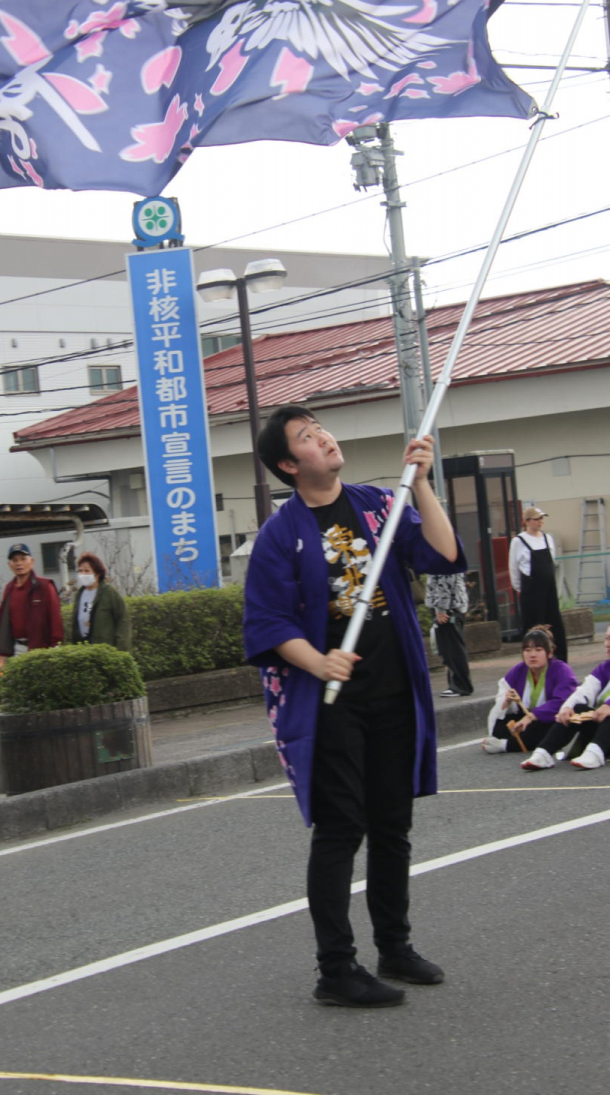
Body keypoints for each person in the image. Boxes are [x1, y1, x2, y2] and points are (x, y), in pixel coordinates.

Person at [243, 404, 466, 1010]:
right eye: (308, 438)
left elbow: (442, 555)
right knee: (342, 829)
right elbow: (266, 624)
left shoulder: (377, 502)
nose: (325, 439)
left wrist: (421, 482)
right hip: (331, 705)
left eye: (322, 430)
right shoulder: (279, 535)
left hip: (394, 689)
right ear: (290, 465)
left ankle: (395, 946)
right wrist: (318, 661)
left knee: (393, 824)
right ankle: (335, 968)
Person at [520, 624, 610, 771]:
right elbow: (585, 690)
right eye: (606, 639)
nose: (607, 644)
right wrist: (567, 706)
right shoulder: (605, 668)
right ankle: (544, 753)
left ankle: (595, 753)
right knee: (577, 708)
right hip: (604, 731)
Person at [482, 625, 578, 755]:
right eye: (527, 650)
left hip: (547, 718)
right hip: (526, 716)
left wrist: (532, 716)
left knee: (544, 728)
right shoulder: (519, 670)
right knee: (499, 728)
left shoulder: (562, 670)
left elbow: (562, 701)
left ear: (549, 653)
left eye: (538, 650)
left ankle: (507, 745)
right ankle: (516, 740)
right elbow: (502, 697)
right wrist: (507, 701)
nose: (532, 655)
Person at [0, 543, 63, 662]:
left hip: (43, 649)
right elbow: (5, 624)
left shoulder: (45, 586)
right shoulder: (9, 589)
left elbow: (55, 618)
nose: (19, 563)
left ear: (32, 562)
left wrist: (56, 648)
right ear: (9, 565)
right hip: (19, 648)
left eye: (23, 559)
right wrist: (1, 656)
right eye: (15, 560)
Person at [509, 506, 568, 661]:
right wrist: (520, 587)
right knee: (533, 624)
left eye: (541, 518)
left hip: (549, 588)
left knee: (554, 622)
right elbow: (513, 567)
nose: (540, 522)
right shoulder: (518, 541)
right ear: (527, 521)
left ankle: (558, 658)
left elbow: (552, 559)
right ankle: (534, 658)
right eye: (536, 519)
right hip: (531, 590)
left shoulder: (547, 538)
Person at [425, 573, 473, 697]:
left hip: (449, 610)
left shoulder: (444, 557)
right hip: (451, 608)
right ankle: (456, 685)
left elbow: (445, 582)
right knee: (450, 649)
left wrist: (441, 609)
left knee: (452, 649)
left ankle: (460, 685)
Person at [71, 552, 131, 650]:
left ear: (97, 574)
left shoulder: (109, 593)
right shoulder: (79, 594)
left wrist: (121, 649)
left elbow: (123, 620)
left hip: (104, 649)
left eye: (87, 571)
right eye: (80, 571)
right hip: (82, 648)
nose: (83, 574)